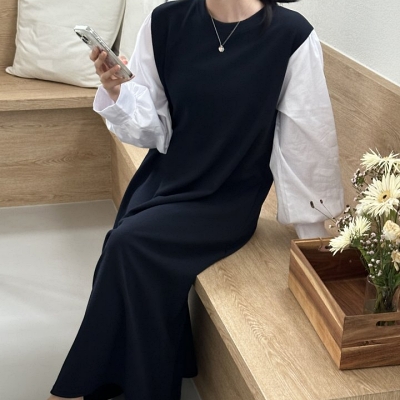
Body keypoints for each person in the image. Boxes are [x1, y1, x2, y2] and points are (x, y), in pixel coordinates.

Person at [48, 0, 344, 398]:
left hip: (227, 197)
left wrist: (317, 245)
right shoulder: (165, 21)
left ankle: (90, 388)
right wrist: (117, 90)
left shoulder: (292, 36)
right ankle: (149, 372)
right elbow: (155, 129)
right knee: (124, 248)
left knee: (127, 244)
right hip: (164, 176)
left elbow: (306, 143)